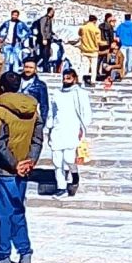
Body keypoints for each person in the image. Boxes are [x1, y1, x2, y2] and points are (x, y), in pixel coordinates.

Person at [0, 71, 44, 263]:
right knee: (18, 210)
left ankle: (3, 258)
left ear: (1, 87)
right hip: (24, 169)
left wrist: (13, 164)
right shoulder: (33, 109)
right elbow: (38, 139)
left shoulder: (0, 110)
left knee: (4, 214)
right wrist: (30, 161)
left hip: (3, 169)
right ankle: (25, 253)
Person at [47, 67, 91, 197]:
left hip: (72, 129)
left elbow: (86, 113)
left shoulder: (81, 93)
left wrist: (83, 129)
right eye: (64, 78)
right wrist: (49, 127)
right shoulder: (56, 93)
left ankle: (74, 175)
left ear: (74, 79)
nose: (66, 80)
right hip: (57, 129)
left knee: (69, 158)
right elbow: (52, 112)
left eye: (69, 78)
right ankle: (61, 187)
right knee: (57, 161)